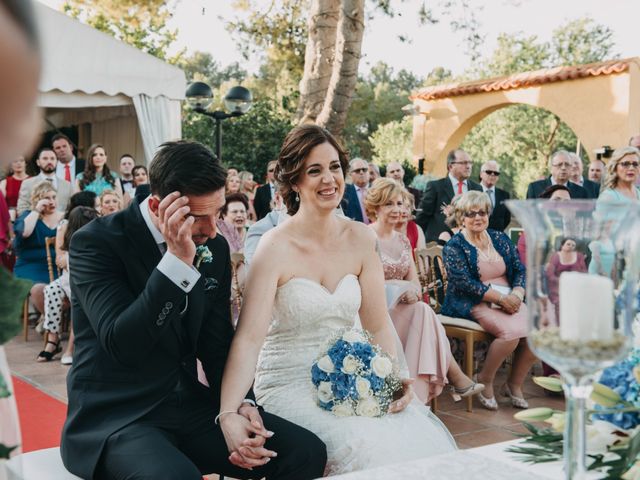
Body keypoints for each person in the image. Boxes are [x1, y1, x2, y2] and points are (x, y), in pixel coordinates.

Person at [61, 140, 326, 480]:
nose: (213, 230)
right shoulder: (96, 243)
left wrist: (237, 407)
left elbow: (216, 344)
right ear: (159, 206)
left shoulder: (212, 246)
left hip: (188, 406)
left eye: (216, 213)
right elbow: (122, 344)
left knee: (304, 453)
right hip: (118, 416)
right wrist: (176, 263)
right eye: (199, 217)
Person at [219, 125, 456, 476]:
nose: (329, 179)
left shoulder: (361, 238)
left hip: (354, 378)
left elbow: (376, 323)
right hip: (288, 382)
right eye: (314, 171)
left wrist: (395, 377)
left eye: (334, 167)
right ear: (294, 181)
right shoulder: (274, 246)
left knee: (415, 441)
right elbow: (250, 337)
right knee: (362, 448)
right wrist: (228, 412)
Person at [366, 178, 484, 404]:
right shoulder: (366, 236)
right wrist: (395, 290)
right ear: (376, 207)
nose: (397, 209)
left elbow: (415, 282)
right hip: (376, 312)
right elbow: (364, 282)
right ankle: (455, 379)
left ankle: (420, 396)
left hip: (404, 310)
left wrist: (412, 292)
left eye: (400, 204)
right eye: (389, 204)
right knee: (423, 314)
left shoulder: (402, 240)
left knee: (421, 310)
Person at [442, 191, 537, 411]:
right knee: (511, 334)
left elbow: (519, 268)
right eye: (471, 213)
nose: (478, 217)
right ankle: (485, 380)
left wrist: (518, 294)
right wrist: (501, 298)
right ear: (460, 217)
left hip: (510, 298)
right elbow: (465, 283)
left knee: (537, 335)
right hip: (474, 301)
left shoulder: (499, 238)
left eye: (482, 212)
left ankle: (513, 385)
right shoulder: (454, 246)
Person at [38, 206, 99, 364]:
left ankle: (70, 348)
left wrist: (69, 259)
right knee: (50, 289)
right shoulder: (68, 234)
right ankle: (53, 339)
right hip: (67, 278)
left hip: (84, 282)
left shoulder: (97, 236)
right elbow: (60, 261)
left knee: (77, 297)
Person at [14, 181, 64, 321]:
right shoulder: (29, 215)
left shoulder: (64, 217)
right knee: (39, 289)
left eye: (54, 197)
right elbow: (24, 232)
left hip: (58, 267)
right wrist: (36, 210)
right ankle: (53, 327)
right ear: (38, 200)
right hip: (31, 266)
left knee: (69, 288)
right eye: (47, 198)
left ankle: (46, 321)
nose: (52, 201)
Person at [416, 149, 483, 241]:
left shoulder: (477, 189)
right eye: (463, 163)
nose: (468, 166)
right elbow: (422, 217)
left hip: (468, 243)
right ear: (450, 166)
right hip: (439, 244)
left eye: (470, 162)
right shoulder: (435, 187)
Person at [517, 185, 571, 266]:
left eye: (566, 202)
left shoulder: (574, 233)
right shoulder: (531, 234)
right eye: (557, 200)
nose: (562, 204)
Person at [17, 147, 73, 215]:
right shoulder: (27, 184)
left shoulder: (67, 185)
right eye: (45, 158)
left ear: (57, 161)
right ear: (38, 162)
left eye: (52, 158)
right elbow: (21, 209)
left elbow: (70, 209)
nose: (49, 161)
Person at [479, 160, 511, 231]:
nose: (492, 175)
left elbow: (507, 219)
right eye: (489, 172)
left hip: (497, 236)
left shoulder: (505, 195)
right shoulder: (472, 192)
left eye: (496, 173)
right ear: (481, 174)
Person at [394, 189, 426, 254]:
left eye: (408, 207)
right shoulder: (385, 228)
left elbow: (422, 260)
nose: (404, 211)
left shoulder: (416, 228)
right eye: (401, 206)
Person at [341, 158, 368, 222]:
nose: (361, 172)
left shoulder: (376, 188)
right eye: (357, 171)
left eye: (364, 170)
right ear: (350, 174)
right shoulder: (344, 193)